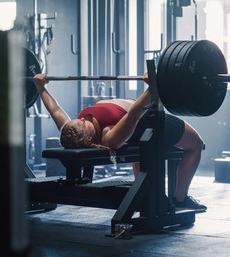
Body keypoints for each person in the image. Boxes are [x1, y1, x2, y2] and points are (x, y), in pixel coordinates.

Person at [33, 73, 207, 212]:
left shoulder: (71, 130)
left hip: (137, 117)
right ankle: (180, 198)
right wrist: (151, 88)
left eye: (79, 119)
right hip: (146, 120)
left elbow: (54, 110)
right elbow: (134, 114)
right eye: (83, 121)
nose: (83, 118)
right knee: (196, 145)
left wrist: (40, 87)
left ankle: (145, 197)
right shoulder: (110, 136)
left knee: (145, 157)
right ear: (89, 135)